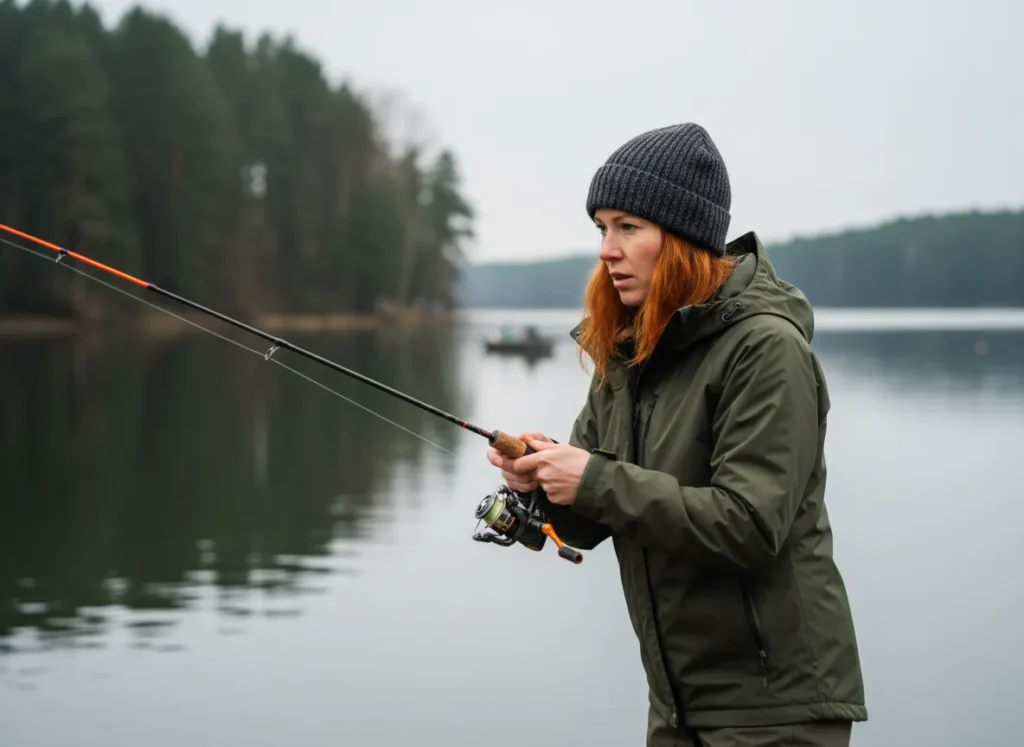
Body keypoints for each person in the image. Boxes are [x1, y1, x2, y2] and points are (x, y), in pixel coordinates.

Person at [486, 123, 867, 747]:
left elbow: (749, 524)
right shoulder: (629, 351)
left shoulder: (766, 349)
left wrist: (595, 479)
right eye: (601, 228)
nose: (608, 249)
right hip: (675, 704)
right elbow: (593, 515)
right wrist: (542, 476)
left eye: (628, 228)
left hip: (776, 711)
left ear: (683, 238)